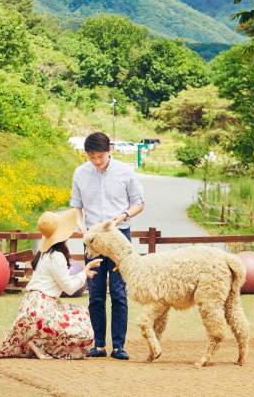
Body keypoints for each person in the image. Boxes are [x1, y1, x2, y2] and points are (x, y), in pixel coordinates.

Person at [0, 210, 102, 359]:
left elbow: (61, 280)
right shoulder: (57, 256)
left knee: (71, 318)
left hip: (29, 305)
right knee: (84, 330)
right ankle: (38, 343)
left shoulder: (43, 254)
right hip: (44, 308)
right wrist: (85, 269)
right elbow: (69, 288)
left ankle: (35, 341)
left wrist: (83, 274)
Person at [71, 131, 144, 360]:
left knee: (119, 292)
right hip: (92, 239)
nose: (96, 161)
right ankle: (99, 345)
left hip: (119, 236)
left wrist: (123, 216)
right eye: (92, 157)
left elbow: (139, 203)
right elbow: (76, 205)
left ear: (109, 151)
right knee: (95, 292)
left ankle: (119, 346)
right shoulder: (80, 173)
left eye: (100, 156)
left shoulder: (125, 171)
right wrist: (80, 223)